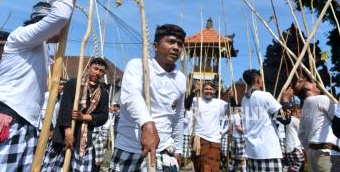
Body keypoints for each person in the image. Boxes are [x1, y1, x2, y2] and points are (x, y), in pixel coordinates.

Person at [0, 0, 86, 171]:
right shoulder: (21, 36)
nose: (62, 31)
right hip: (6, 118)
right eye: (56, 28)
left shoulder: (42, 51)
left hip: (25, 124)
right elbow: (60, 16)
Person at [109, 24, 187, 171]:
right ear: (155, 46)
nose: (176, 47)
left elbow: (178, 118)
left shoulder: (181, 79)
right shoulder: (138, 66)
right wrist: (147, 123)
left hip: (164, 150)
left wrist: (178, 149)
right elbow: (131, 96)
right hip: (130, 148)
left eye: (180, 44)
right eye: (170, 42)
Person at [41, 57, 109, 171]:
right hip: (63, 135)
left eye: (101, 71)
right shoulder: (73, 84)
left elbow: (103, 116)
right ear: (88, 68)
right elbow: (65, 109)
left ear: (104, 73)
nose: (97, 72)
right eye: (95, 69)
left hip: (84, 140)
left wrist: (84, 117)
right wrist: (68, 131)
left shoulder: (103, 93)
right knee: (53, 168)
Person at [241, 69, 292, 172]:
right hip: (267, 152)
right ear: (258, 81)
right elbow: (285, 119)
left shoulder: (244, 99)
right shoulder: (265, 96)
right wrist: (286, 100)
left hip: (251, 152)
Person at [294, 77, 339, 172]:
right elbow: (337, 120)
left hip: (313, 153)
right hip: (327, 153)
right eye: (313, 83)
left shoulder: (304, 108)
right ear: (307, 87)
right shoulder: (321, 99)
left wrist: (308, 150)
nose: (316, 84)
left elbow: (301, 134)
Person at [191, 81, 228, 172]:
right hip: (200, 138)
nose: (209, 91)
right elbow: (186, 105)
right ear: (202, 90)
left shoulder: (220, 103)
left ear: (214, 91)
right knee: (200, 166)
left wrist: (223, 132)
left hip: (215, 139)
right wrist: (194, 91)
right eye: (206, 89)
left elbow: (233, 112)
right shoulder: (196, 100)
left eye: (211, 89)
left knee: (212, 167)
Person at [230, 107, 246, 172]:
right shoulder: (237, 116)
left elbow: (230, 128)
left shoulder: (232, 116)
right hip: (239, 138)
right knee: (242, 157)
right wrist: (247, 132)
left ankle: (231, 170)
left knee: (233, 157)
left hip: (234, 137)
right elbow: (238, 128)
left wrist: (231, 136)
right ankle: (244, 171)